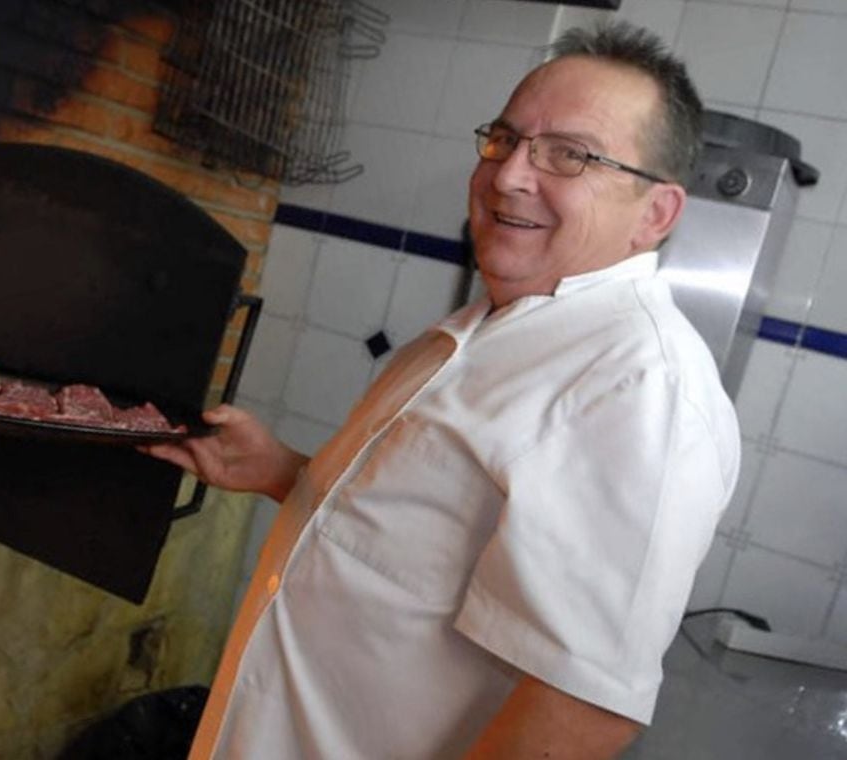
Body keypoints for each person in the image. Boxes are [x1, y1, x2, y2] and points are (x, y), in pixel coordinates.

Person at [144, 21, 740, 760]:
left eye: (569, 155)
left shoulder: (640, 386)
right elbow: (417, 554)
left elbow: (582, 710)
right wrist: (281, 472)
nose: (509, 175)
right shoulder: (490, 324)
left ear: (656, 213)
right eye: (505, 138)